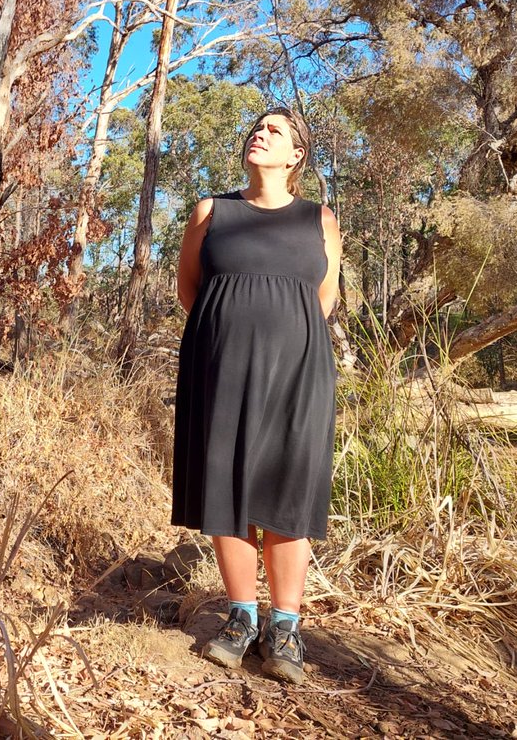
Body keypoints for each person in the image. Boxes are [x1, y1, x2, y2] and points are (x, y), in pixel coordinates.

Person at [172, 106, 342, 685]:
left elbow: (325, 296)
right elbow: (188, 287)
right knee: (229, 483)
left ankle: (285, 628)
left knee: (288, 487)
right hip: (220, 366)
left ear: (296, 155)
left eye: (274, 131)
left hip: (300, 370)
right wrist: (228, 335)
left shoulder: (320, 220)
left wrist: (286, 339)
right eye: (257, 127)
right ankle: (242, 618)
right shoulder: (211, 211)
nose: (259, 134)